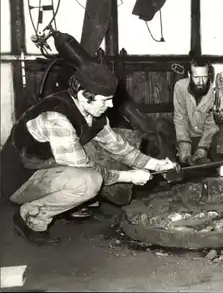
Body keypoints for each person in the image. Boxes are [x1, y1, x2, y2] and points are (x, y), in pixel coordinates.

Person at [1, 62, 178, 245]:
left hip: (48, 166)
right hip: (19, 178)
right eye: (105, 99)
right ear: (83, 96)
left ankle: (70, 205)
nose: (110, 105)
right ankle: (30, 217)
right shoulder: (57, 118)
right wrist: (129, 176)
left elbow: (120, 148)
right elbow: (85, 167)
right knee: (88, 181)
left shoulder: (93, 113)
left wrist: (156, 164)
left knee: (101, 151)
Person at [173, 58, 222, 167]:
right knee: (160, 126)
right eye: (196, 77)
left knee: (219, 143)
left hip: (206, 137)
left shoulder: (216, 93)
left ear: (208, 75)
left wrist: (202, 150)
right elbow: (180, 117)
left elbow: (211, 126)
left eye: (204, 77)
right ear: (189, 75)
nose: (200, 82)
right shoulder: (180, 87)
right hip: (186, 134)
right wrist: (184, 144)